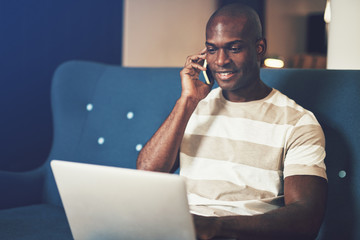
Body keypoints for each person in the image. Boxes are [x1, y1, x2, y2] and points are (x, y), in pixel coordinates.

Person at [137, 3, 327, 240]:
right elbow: (146, 175)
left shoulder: (298, 122)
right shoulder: (194, 107)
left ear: (259, 48)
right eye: (212, 49)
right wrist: (187, 101)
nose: (221, 61)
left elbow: (306, 218)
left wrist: (216, 227)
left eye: (234, 48)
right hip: (180, 231)